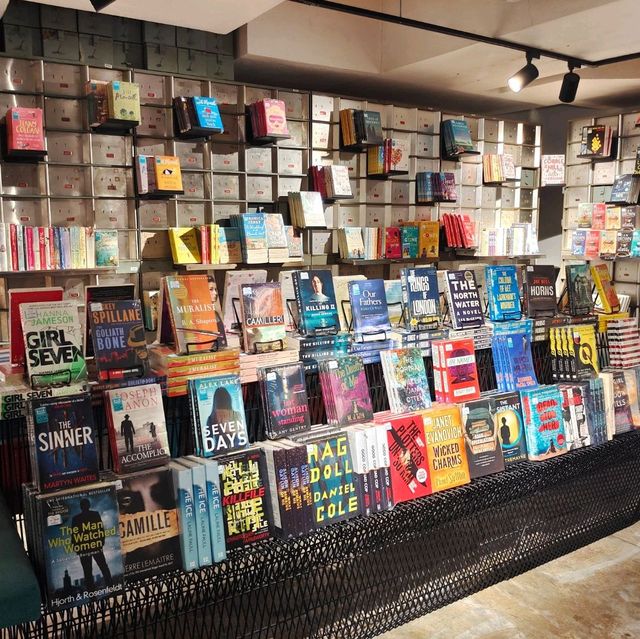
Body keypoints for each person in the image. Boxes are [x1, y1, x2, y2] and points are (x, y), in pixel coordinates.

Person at [71, 498, 113, 589]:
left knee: (89, 571)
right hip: (93, 546)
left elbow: (74, 535)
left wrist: (77, 548)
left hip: (85, 548)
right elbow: (100, 529)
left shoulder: (76, 518)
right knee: (101, 567)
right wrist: (101, 542)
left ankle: (92, 590)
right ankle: (109, 585)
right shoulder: (95, 514)